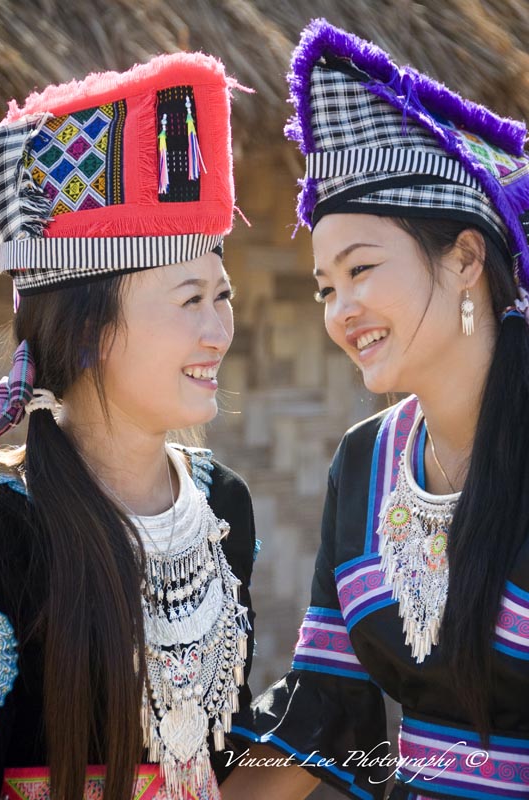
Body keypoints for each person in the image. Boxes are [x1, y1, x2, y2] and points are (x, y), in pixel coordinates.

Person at [222, 18, 529, 800]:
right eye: (326, 288)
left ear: (465, 258)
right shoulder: (365, 464)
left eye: (360, 270)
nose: (341, 311)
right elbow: (324, 701)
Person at [0, 52, 257, 800]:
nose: (219, 332)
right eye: (189, 299)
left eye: (223, 295)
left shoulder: (224, 508)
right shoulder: (8, 532)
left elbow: (228, 764)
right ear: (89, 333)